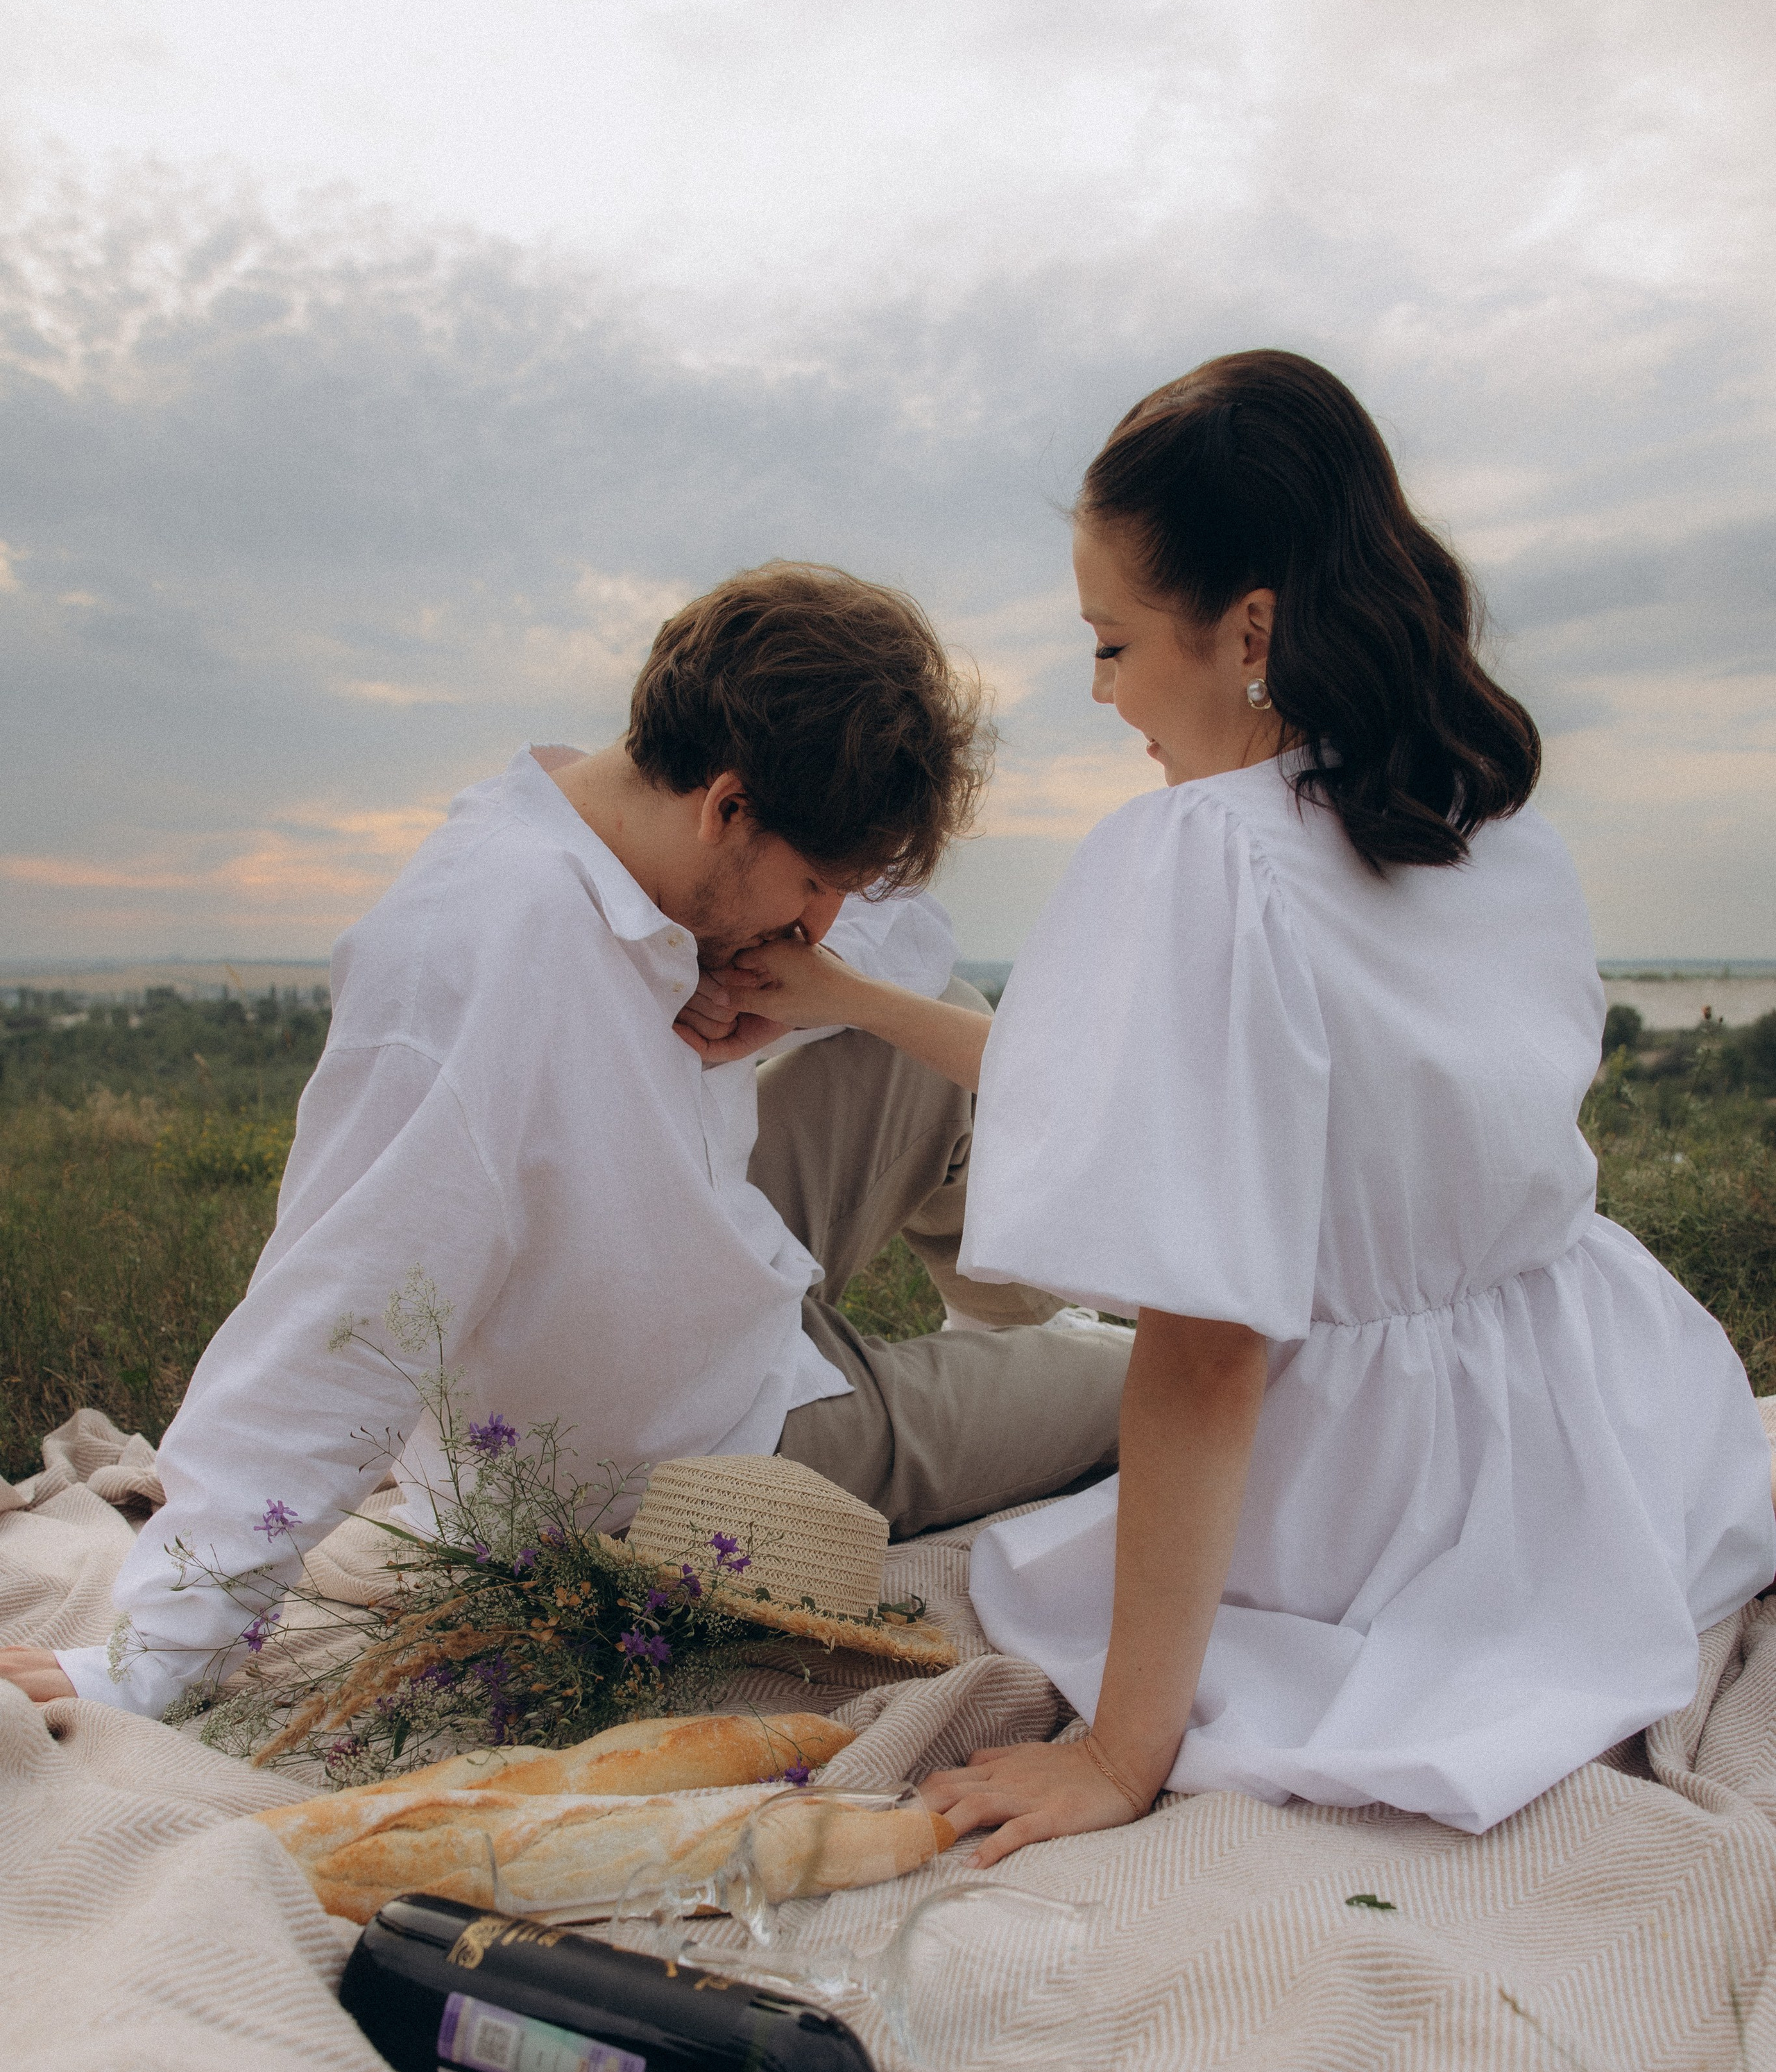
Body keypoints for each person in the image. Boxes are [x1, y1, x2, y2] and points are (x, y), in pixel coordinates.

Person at [909, 350, 1775, 1861]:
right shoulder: (1493, 833)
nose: (1103, 693)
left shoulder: (1201, 861)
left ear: (1246, 629)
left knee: (1070, 1584)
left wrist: (1121, 1752)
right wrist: (851, 1004)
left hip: (1386, 1495)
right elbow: (1127, 1084)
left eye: (1109, 643)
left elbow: (1208, 1347)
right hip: (1620, 1425)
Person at [2, 563, 1128, 1719]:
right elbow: (334, 1324)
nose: (820, 921)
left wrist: (797, 994)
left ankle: (999, 1332)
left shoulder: (614, 833)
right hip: (696, 1448)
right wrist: (156, 1654)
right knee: (1142, 1376)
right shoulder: (474, 961)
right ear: (728, 807)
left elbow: (911, 935)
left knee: (923, 1035)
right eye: (812, 884)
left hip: (721, 1280)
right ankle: (1031, 1369)